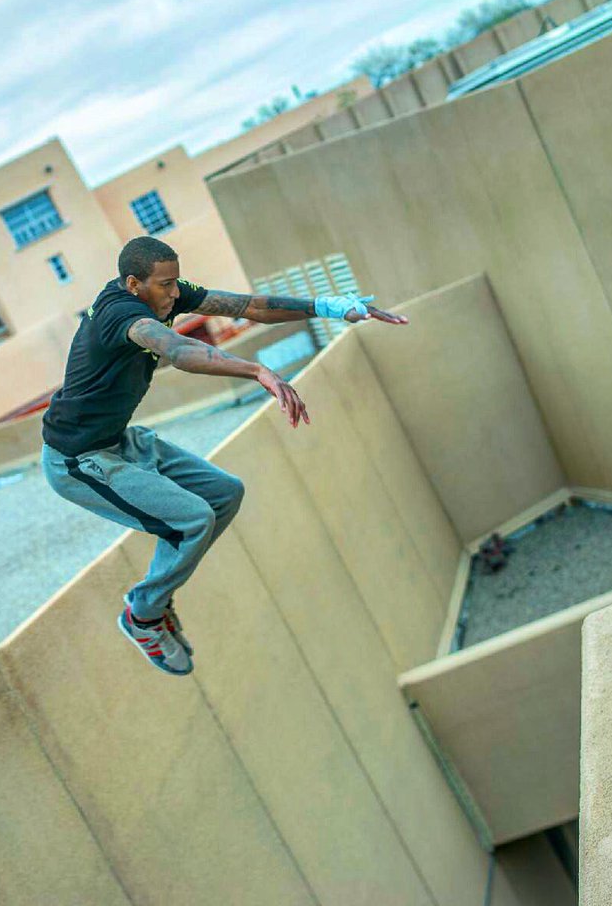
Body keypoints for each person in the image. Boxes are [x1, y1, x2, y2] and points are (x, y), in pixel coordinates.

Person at [40, 236, 409, 675]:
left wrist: (331, 307)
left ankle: (154, 602)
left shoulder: (161, 295)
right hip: (79, 461)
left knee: (224, 493)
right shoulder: (124, 315)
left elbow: (249, 307)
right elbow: (178, 351)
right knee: (193, 518)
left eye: (176, 282)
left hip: (121, 441)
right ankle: (143, 616)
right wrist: (256, 369)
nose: (175, 294)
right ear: (133, 283)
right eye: (166, 285)